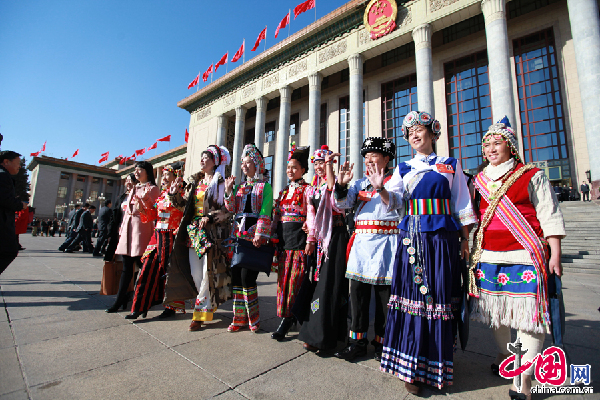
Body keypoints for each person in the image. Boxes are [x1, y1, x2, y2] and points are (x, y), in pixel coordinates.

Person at [378, 111, 476, 394]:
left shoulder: (450, 165)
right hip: (414, 238)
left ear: (433, 134)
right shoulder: (404, 168)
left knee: (441, 296)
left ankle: (436, 363)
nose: (415, 135)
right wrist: (379, 189)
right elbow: (393, 200)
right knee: (413, 297)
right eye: (410, 133)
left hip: (443, 240)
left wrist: (466, 240)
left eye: (420, 130)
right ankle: (411, 367)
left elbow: (461, 203)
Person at [469, 117, 565, 400]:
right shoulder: (478, 180)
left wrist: (555, 253)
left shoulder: (531, 174)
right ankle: (504, 356)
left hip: (525, 255)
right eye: (486, 144)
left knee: (529, 319)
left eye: (497, 143)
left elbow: (549, 214)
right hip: (488, 256)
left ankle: (523, 378)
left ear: (510, 146)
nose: (491, 148)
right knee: (496, 313)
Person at [330, 138, 402, 362]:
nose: (369, 161)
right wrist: (341, 185)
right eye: (366, 157)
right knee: (358, 299)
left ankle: (383, 344)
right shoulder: (359, 183)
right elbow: (342, 204)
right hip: (361, 246)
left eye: (374, 156)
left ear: (387, 159)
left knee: (385, 301)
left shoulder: (396, 180)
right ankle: (357, 344)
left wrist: (380, 187)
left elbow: (396, 202)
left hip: (386, 246)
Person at [164, 145, 233, 330]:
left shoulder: (220, 183)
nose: (202, 160)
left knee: (206, 273)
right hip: (193, 233)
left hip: (211, 234)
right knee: (195, 273)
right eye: (201, 158)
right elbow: (184, 207)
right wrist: (174, 193)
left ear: (215, 162)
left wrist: (210, 217)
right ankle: (207, 303)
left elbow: (227, 210)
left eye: (206, 158)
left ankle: (200, 314)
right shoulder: (195, 183)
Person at [297, 145, 350, 353]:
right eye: (317, 163)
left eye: (323, 163)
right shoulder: (311, 189)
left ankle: (327, 337)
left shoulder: (338, 183)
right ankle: (316, 333)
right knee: (319, 286)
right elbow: (310, 216)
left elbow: (333, 192)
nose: (319, 166)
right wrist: (310, 239)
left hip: (336, 238)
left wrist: (329, 167)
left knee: (331, 286)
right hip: (320, 241)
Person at [222, 143, 273, 333]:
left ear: (258, 165)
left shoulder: (265, 187)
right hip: (237, 236)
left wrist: (260, 234)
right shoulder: (240, 187)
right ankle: (239, 319)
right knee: (236, 277)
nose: (244, 166)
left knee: (247, 277)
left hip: (254, 238)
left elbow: (265, 211)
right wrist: (229, 191)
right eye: (243, 163)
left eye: (248, 162)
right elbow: (231, 209)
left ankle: (253, 319)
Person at [126, 162, 186, 319]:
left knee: (169, 272)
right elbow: (152, 216)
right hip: (157, 235)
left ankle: (170, 307)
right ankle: (139, 306)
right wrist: (142, 204)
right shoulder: (161, 195)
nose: (164, 177)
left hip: (171, 235)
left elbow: (184, 211)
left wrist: (175, 195)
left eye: (167, 174)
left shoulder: (182, 192)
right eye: (164, 174)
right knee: (146, 269)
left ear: (176, 176)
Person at [271, 144, 314, 341]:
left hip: (299, 242)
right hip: (284, 243)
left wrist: (309, 233)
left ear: (303, 169)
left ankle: (288, 319)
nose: (290, 170)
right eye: (288, 167)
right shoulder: (282, 192)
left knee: (295, 281)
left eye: (294, 167)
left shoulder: (307, 190)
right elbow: (277, 217)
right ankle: (285, 315)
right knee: (282, 283)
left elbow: (312, 215)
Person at [106, 161, 160, 313]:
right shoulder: (135, 187)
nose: (136, 172)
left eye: (139, 169)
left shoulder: (153, 189)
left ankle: (144, 300)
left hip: (142, 229)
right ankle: (119, 300)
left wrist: (143, 206)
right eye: (135, 169)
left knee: (143, 269)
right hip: (128, 229)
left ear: (147, 172)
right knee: (126, 268)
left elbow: (154, 212)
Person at [0, 151, 28, 276]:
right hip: (2, 222)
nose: (19, 166)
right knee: (9, 251)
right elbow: (5, 199)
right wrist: (20, 205)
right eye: (17, 163)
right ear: (6, 161)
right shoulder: (3, 176)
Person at [104, 174, 137, 262]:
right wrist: (110, 233)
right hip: (119, 230)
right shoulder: (122, 197)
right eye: (127, 181)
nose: (128, 183)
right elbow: (114, 216)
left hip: (133, 230)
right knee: (117, 256)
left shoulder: (138, 196)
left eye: (131, 181)